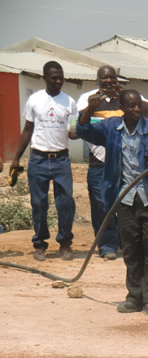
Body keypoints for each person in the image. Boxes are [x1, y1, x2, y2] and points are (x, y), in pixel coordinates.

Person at [76, 89, 148, 315]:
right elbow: (81, 130)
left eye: (139, 105)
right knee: (131, 249)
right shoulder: (111, 128)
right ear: (122, 108)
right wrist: (89, 108)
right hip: (125, 198)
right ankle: (134, 296)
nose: (137, 110)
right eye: (132, 106)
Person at [76, 65, 148, 260]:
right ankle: (107, 246)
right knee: (103, 205)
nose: (108, 81)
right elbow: (78, 126)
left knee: (130, 202)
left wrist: (123, 94)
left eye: (112, 78)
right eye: (104, 78)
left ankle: (126, 243)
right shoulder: (88, 98)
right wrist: (92, 107)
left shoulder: (127, 98)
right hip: (100, 160)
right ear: (98, 80)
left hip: (125, 162)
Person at [10, 61, 77, 261]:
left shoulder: (70, 102)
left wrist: (81, 126)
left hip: (61, 159)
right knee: (39, 203)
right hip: (38, 159)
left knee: (65, 203)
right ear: (45, 78)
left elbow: (73, 133)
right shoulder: (34, 100)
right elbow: (27, 130)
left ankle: (65, 243)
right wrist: (16, 158)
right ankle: (40, 244)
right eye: (54, 78)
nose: (58, 81)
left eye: (61, 78)